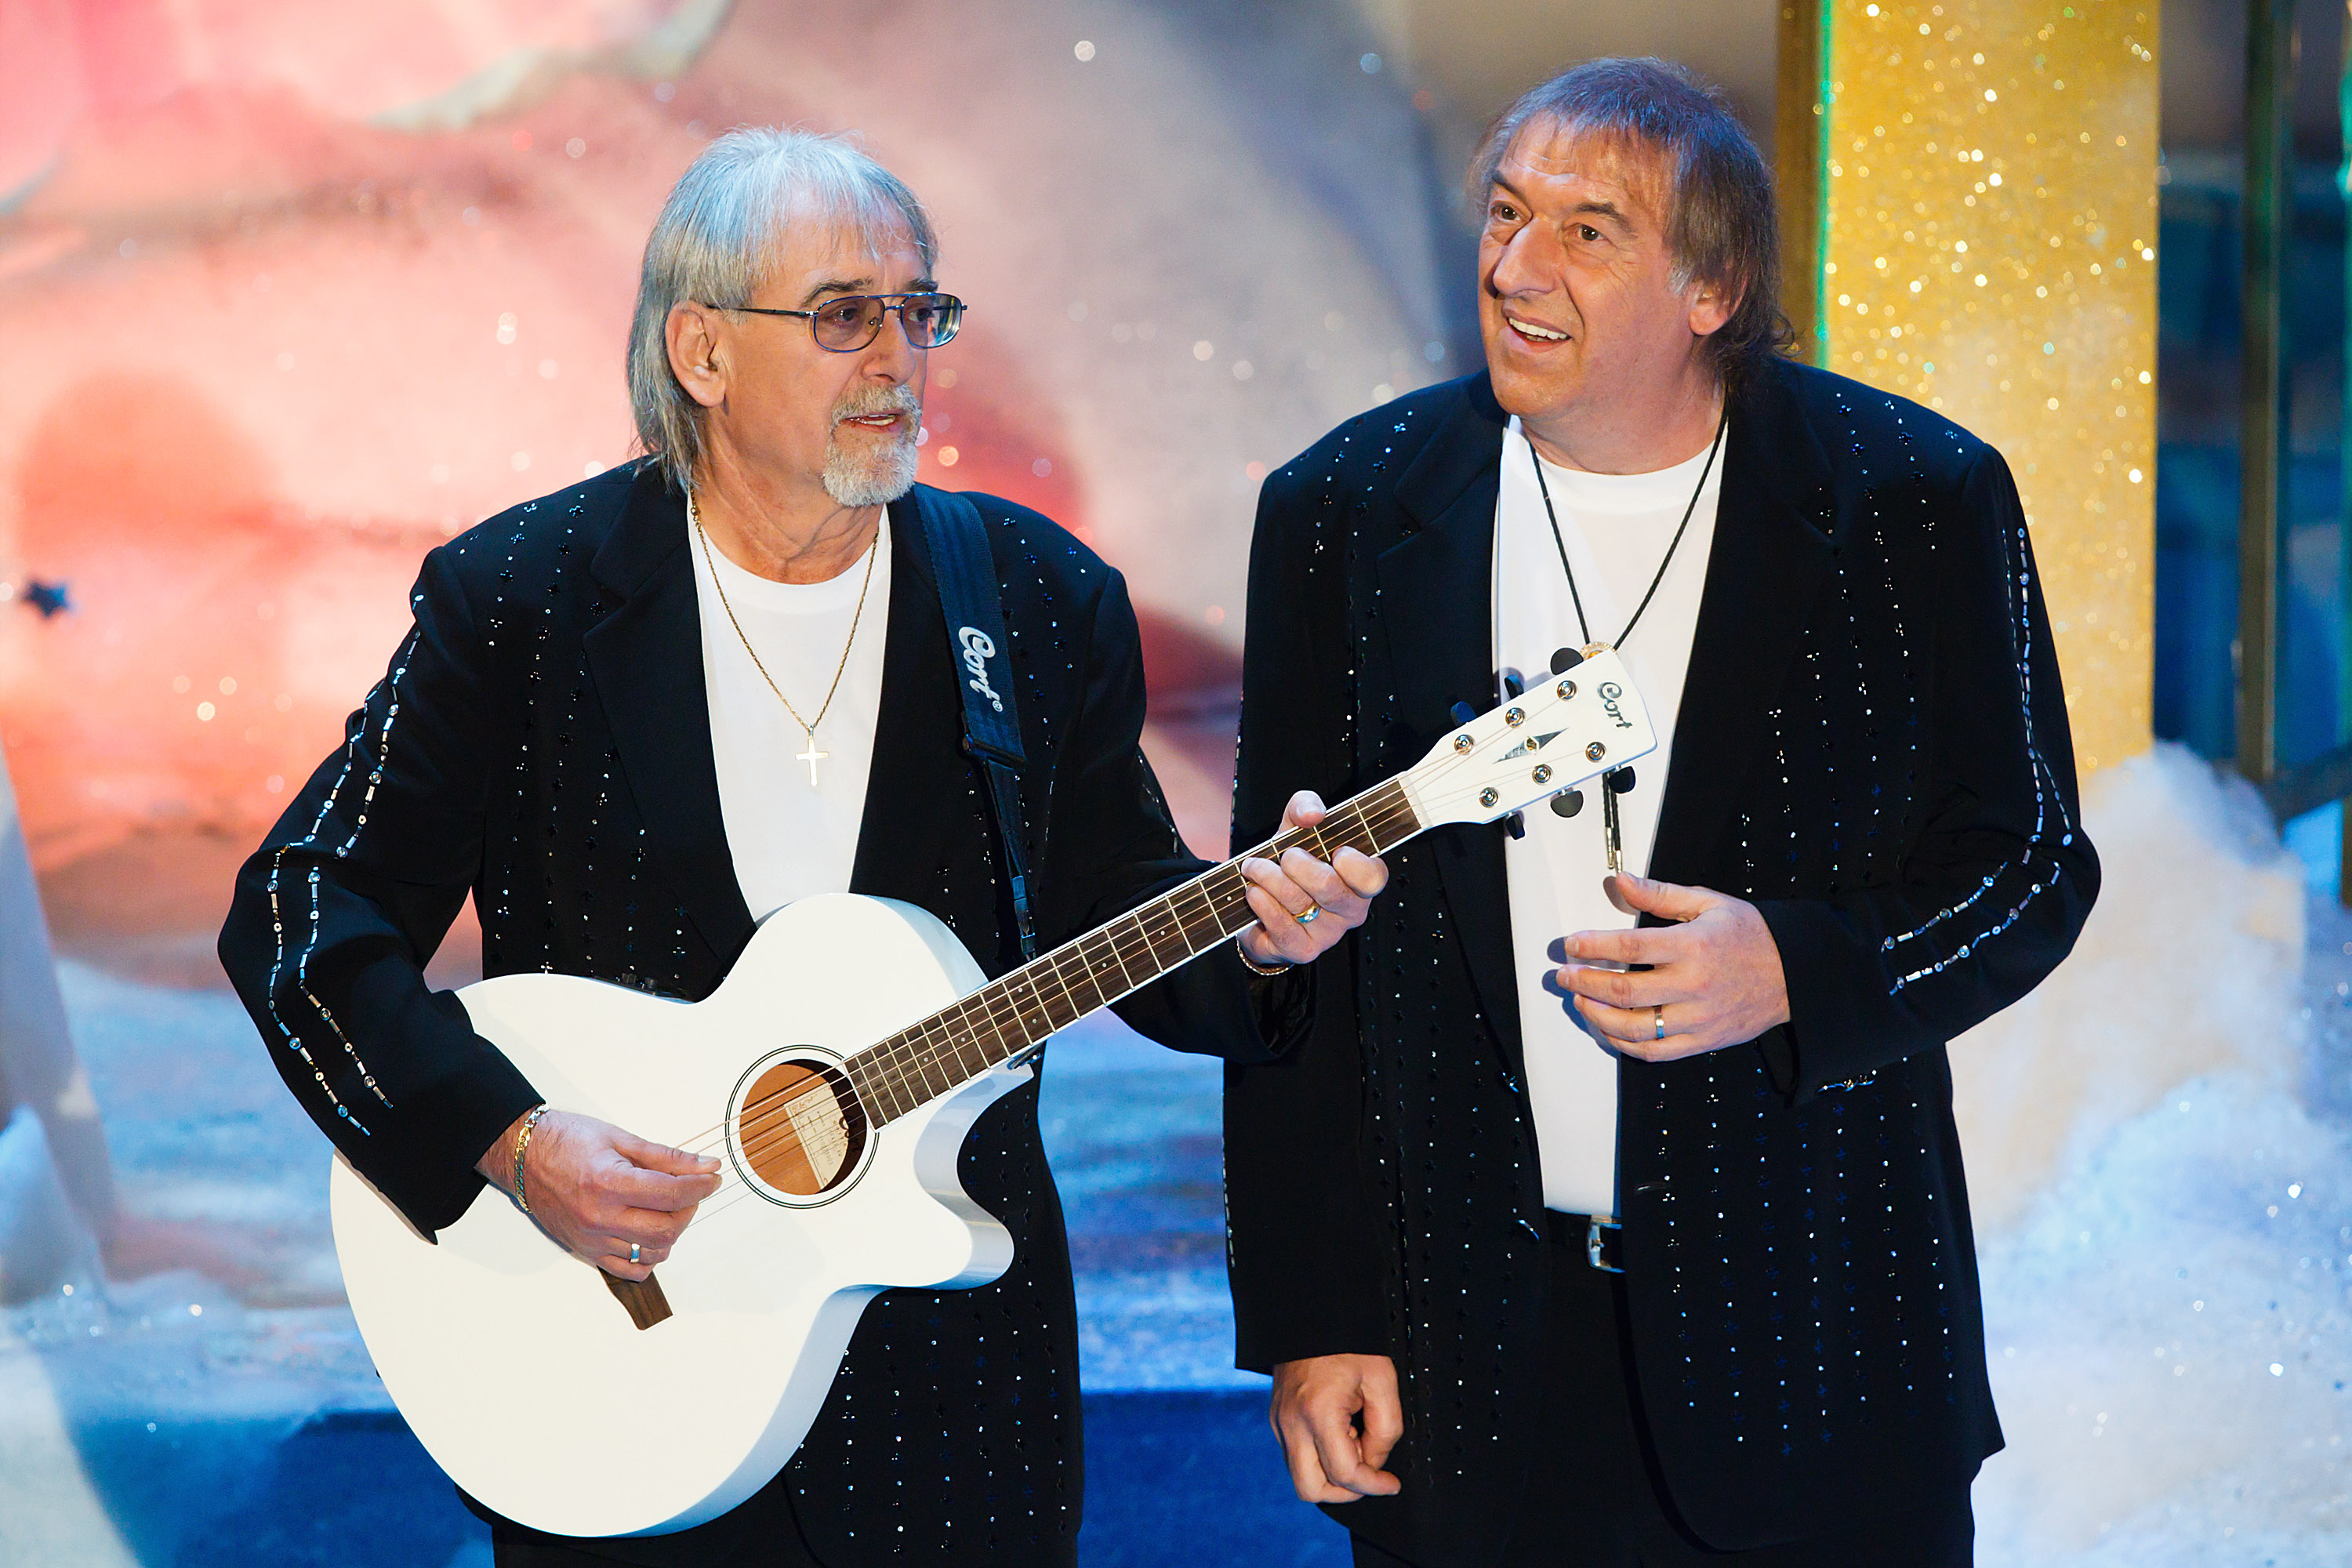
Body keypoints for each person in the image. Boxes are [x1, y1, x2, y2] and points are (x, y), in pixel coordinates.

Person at [217, 127, 1383, 1567]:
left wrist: (1263, 936)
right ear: (701, 351)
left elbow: (1117, 918)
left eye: (922, 311)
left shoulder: (1036, 597)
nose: (901, 358)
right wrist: (510, 1147)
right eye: (845, 315)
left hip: (955, 1404)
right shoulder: (519, 601)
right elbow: (300, 911)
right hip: (629, 1366)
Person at [1223, 57, 2099, 1568]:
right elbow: (1295, 958)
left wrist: (1796, 971)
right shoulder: (1344, 510)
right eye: (1505, 215)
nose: (1513, 267)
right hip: (1468, 1371)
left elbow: (2031, 871)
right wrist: (1314, 1317)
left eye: (1587, 230)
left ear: (1713, 285)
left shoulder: (1912, 498)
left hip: (1822, 1353)